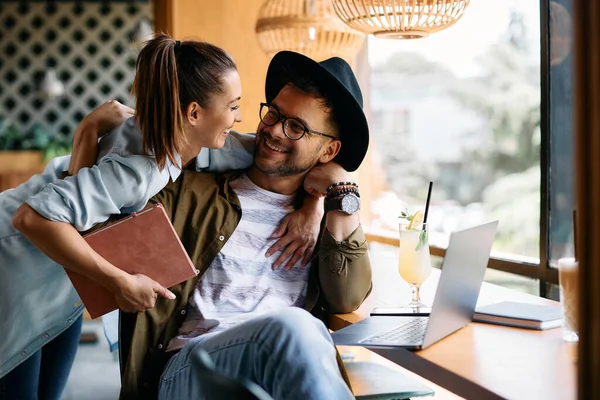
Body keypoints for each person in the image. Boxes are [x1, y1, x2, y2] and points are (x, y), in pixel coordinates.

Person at [0, 37, 320, 399]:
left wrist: (319, 202)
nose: (241, 117)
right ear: (195, 113)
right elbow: (32, 218)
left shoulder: (184, 141)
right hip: (14, 266)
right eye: (233, 106)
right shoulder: (140, 170)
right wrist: (119, 282)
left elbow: (278, 156)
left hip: (58, 278)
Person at [107, 50, 373, 400]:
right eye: (274, 114)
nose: (274, 130)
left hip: (277, 377)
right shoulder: (189, 191)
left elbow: (347, 299)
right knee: (293, 326)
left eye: (296, 127)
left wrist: (342, 189)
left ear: (328, 151)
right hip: (188, 370)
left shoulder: (323, 218)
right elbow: (107, 235)